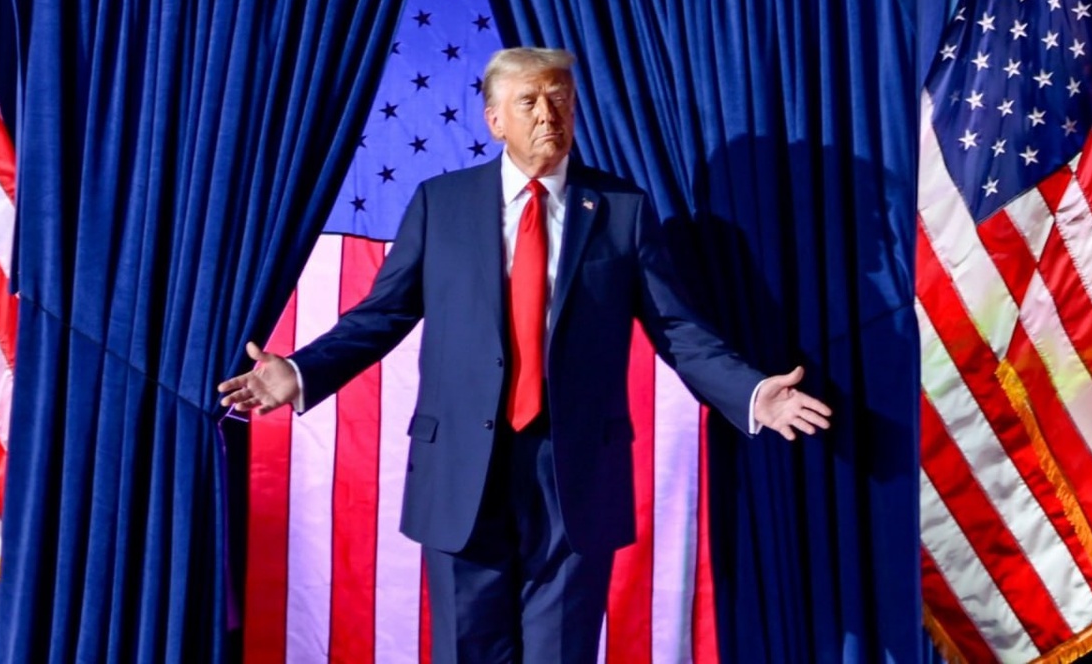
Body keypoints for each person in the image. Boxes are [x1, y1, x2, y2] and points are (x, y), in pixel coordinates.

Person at [219, 47, 831, 664]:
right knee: (469, 651)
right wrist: (301, 371)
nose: (547, 114)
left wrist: (751, 392)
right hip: (461, 465)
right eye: (529, 101)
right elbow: (382, 315)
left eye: (560, 99)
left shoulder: (622, 208)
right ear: (494, 120)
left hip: (573, 469)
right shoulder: (440, 203)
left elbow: (677, 328)